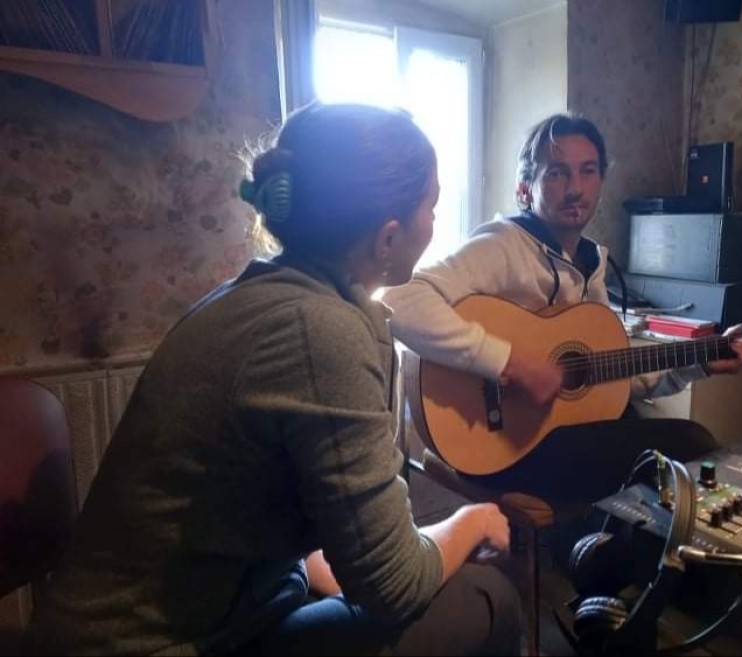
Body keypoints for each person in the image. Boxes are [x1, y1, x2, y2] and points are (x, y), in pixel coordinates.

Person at [26, 102, 522, 656]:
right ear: (387, 238)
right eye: (431, 205)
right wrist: (472, 520)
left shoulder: (252, 296)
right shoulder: (320, 331)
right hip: (152, 644)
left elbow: (251, 503)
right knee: (485, 598)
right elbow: (395, 587)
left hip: (218, 610)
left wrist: (330, 565)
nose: (433, 221)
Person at [382, 112, 742, 512]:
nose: (576, 188)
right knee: (688, 445)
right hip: (501, 444)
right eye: (558, 173)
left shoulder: (589, 263)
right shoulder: (503, 246)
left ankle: (606, 545)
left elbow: (609, 381)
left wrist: (698, 364)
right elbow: (398, 298)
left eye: (588, 171)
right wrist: (508, 362)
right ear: (526, 187)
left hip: (557, 434)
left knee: (649, 432)